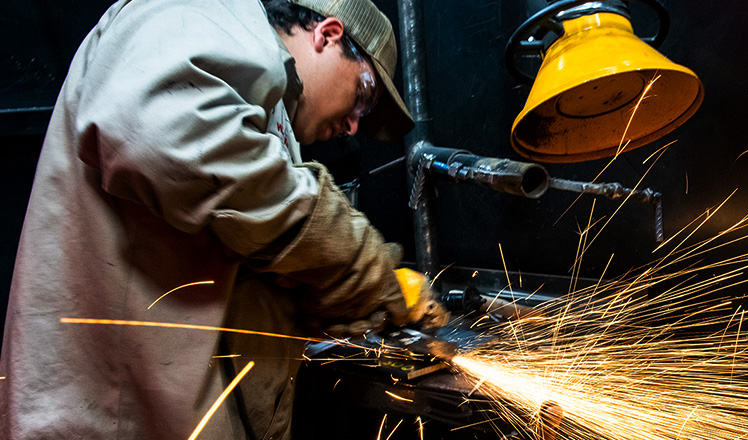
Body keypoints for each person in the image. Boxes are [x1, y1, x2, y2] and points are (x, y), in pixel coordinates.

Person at [0, 0, 432, 438]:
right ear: (328, 35)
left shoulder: (263, 112)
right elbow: (154, 135)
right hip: (114, 420)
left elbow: (236, 250)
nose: (355, 126)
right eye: (362, 96)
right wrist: (352, 256)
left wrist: (337, 298)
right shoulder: (201, 14)